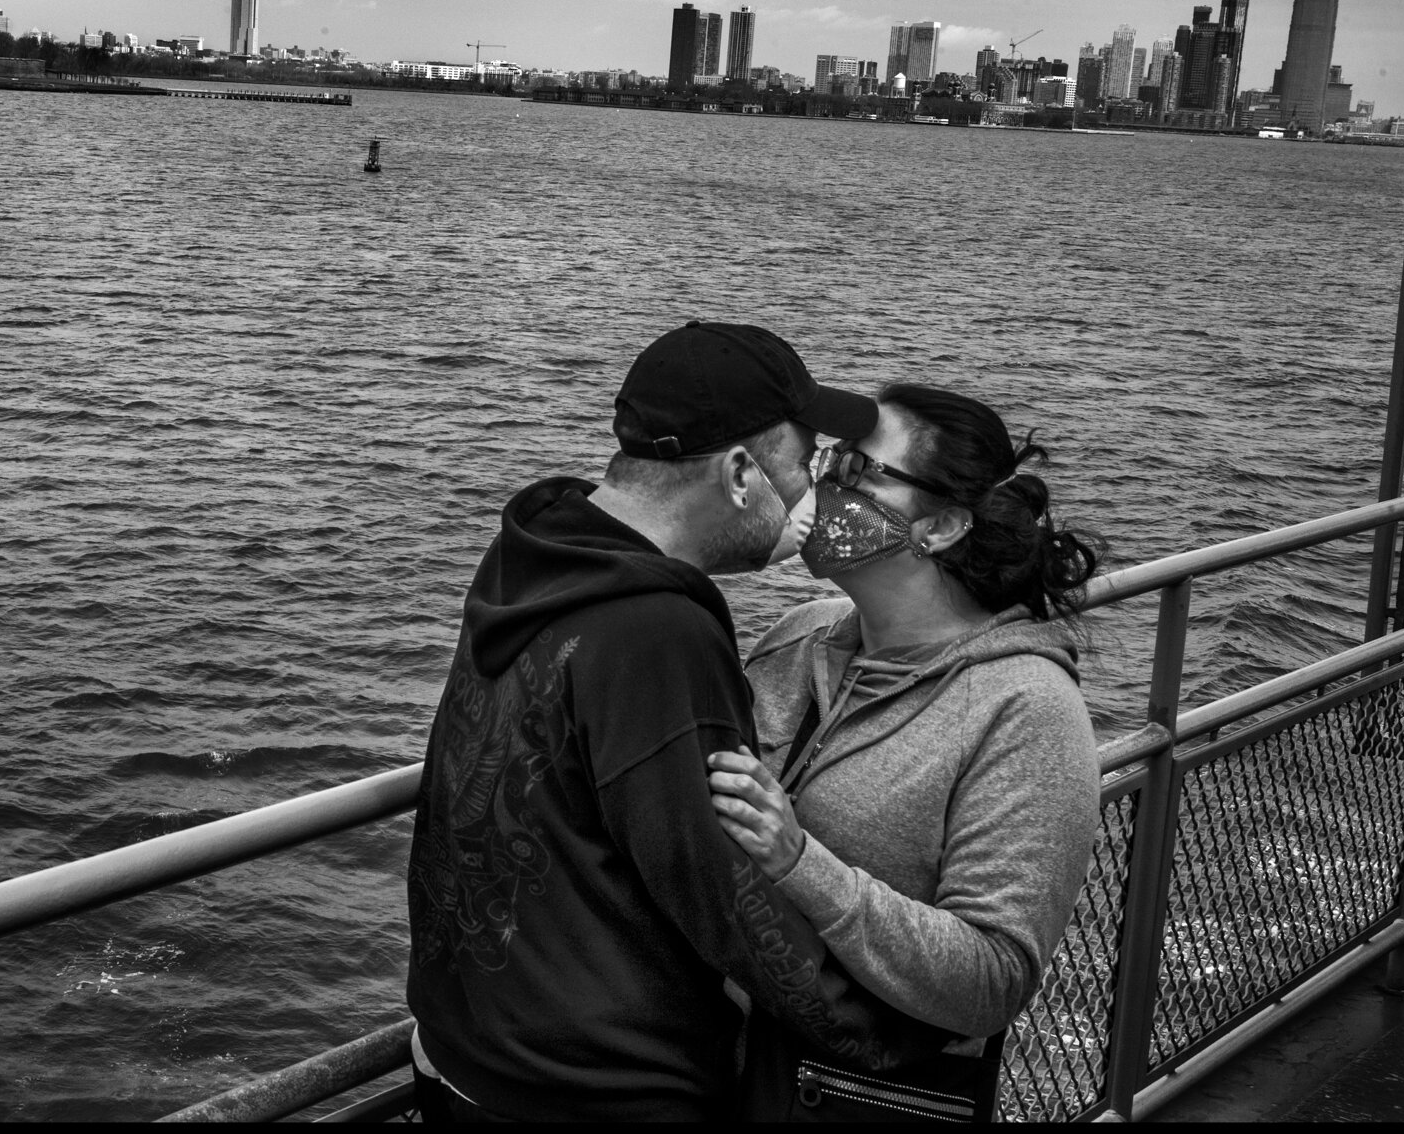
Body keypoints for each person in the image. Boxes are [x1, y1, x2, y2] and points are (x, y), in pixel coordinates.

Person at [405, 322, 952, 1122]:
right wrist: (892, 1038)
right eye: (802, 465)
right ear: (739, 473)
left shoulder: (534, 554)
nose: (812, 493)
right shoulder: (659, 630)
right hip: (594, 1095)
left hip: (462, 1051)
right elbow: (725, 889)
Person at [707, 383, 1104, 1122]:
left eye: (859, 471)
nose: (824, 485)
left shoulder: (1027, 709)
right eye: (828, 462)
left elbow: (993, 977)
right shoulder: (800, 635)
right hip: (725, 1074)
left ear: (943, 525)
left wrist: (801, 863)